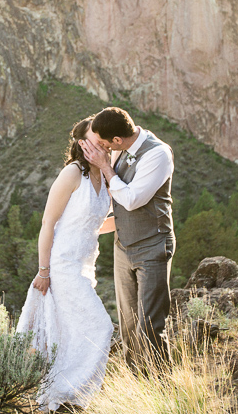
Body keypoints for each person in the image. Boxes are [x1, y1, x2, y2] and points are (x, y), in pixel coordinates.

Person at [16, 117, 116, 411]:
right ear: (81, 142)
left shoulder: (103, 175)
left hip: (85, 267)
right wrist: (44, 270)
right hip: (62, 267)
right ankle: (69, 391)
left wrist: (129, 223)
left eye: (102, 139)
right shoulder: (72, 174)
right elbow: (48, 224)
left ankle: (64, 395)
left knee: (72, 331)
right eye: (93, 137)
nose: (100, 141)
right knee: (101, 327)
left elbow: (93, 225)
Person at [79, 107, 175, 369]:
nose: (103, 150)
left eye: (104, 144)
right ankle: (136, 383)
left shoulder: (158, 154)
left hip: (153, 245)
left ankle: (160, 386)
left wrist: (106, 168)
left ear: (117, 141)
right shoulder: (120, 149)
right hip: (124, 246)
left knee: (151, 324)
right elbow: (115, 201)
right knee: (129, 322)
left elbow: (132, 199)